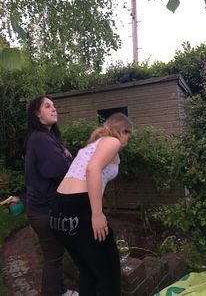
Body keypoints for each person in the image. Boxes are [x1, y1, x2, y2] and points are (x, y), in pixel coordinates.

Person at [49, 112, 132, 296]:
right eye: (128, 134)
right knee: (109, 275)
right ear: (123, 130)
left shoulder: (92, 145)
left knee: (89, 273)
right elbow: (92, 169)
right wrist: (97, 213)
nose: (128, 139)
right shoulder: (112, 141)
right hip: (79, 206)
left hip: (58, 212)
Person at [24, 96, 79, 296]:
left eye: (54, 106)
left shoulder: (48, 138)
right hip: (43, 211)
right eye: (48, 106)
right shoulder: (39, 138)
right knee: (53, 257)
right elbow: (59, 170)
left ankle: (61, 291)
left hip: (48, 208)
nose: (54, 109)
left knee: (56, 254)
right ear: (37, 114)